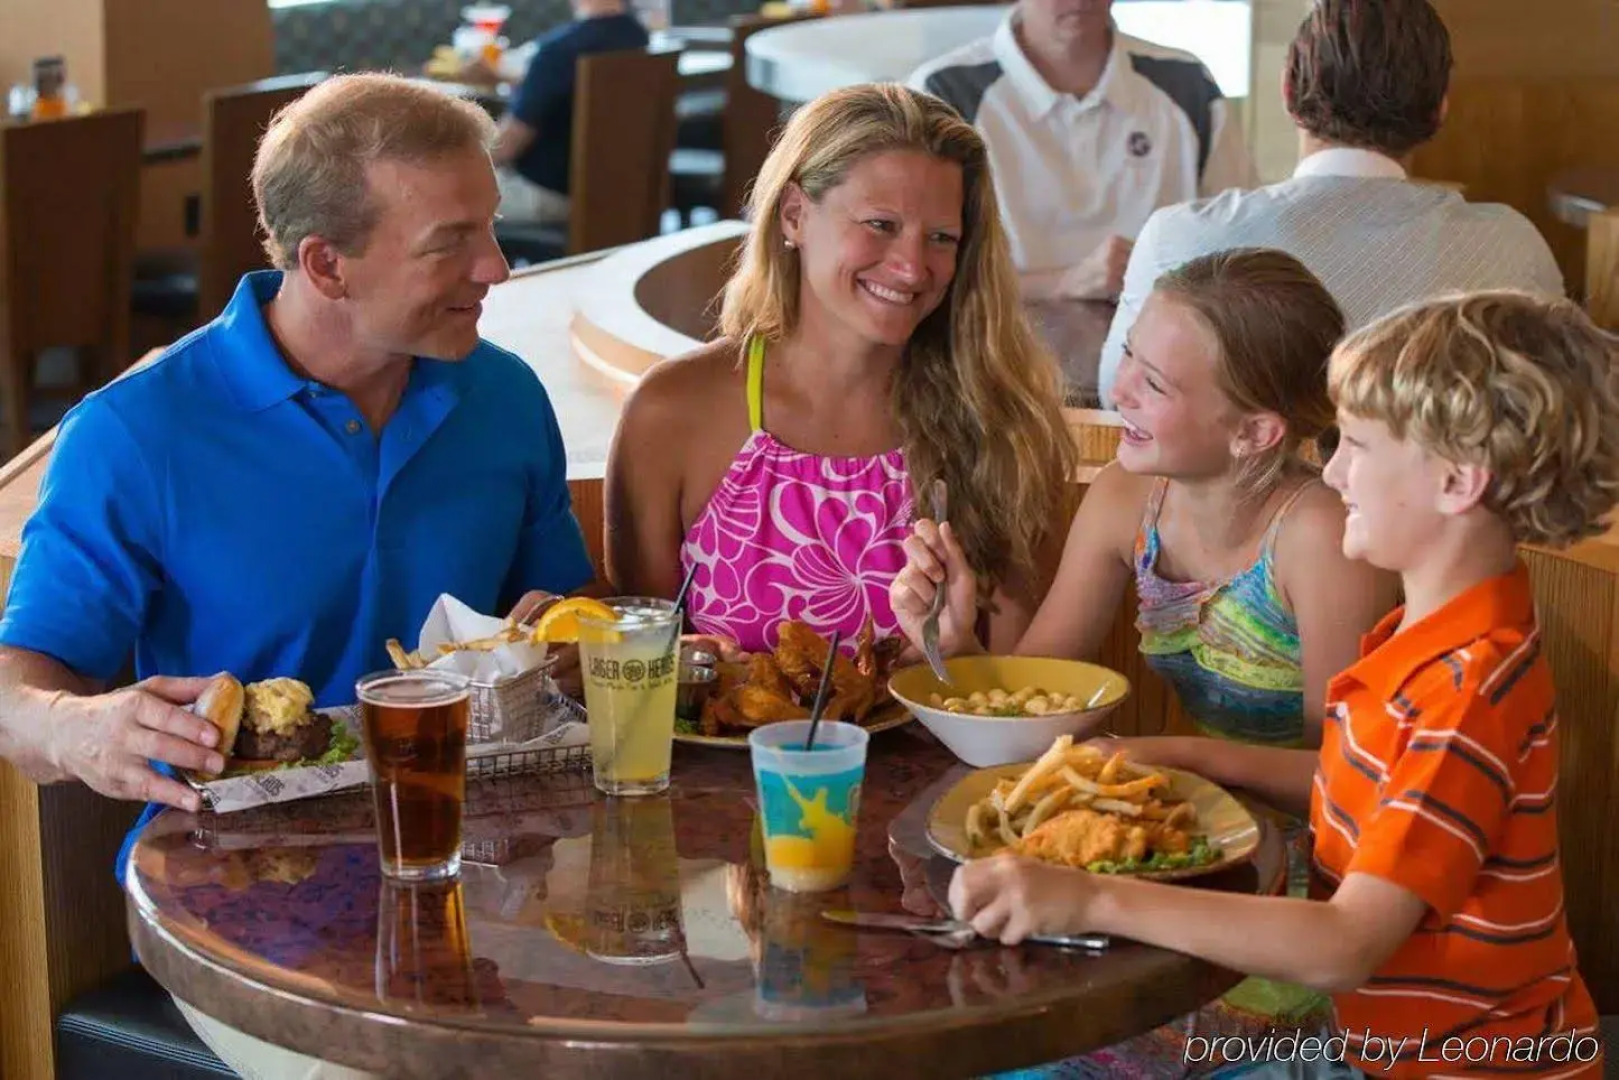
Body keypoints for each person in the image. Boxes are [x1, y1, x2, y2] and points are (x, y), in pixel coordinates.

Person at [0, 73, 593, 1079]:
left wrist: (570, 644)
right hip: (243, 905)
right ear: (325, 262)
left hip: (490, 879)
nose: (496, 266)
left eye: (489, 227)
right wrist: (76, 727)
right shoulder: (137, 432)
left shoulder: (504, 395)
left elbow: (567, 619)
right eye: (450, 241)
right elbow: (16, 699)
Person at [951, 291, 1617, 1079]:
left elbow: (1344, 945)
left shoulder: (1463, 692)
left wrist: (1087, 899)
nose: (1332, 470)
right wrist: (1172, 755)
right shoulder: (1438, 640)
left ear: (1455, 482)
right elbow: (1355, 784)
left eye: (1358, 445)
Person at [892, 248, 1399, 1074]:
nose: (1116, 388)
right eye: (1127, 352)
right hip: (1169, 860)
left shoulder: (1318, 536)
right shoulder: (1129, 498)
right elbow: (1032, 708)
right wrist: (953, 644)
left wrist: (1169, 753)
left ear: (1254, 432)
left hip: (1295, 902)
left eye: (1153, 383)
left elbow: (1349, 786)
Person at [606, 83, 1078, 657]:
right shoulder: (671, 411)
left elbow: (1023, 706)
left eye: (940, 238)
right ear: (796, 215)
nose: (910, 267)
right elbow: (637, 671)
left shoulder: (1005, 425)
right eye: (880, 224)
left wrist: (957, 657)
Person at [1097, 0, 1563, 406]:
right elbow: (1552, 410)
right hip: (1436, 505)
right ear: (1440, 108)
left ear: (1287, 91)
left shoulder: (1179, 236)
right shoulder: (1514, 243)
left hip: (1240, 505)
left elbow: (1117, 399)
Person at [906, 0, 1256, 304]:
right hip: (995, 347)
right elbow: (914, 268)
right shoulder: (943, 92)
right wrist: (1064, 282)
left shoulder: (1187, 83)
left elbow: (1243, 240)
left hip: (1160, 347)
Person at [490, 0, 649, 225]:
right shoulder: (637, 38)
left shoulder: (558, 51)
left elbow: (505, 147)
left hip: (550, 195)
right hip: (619, 195)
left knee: (444, 193)